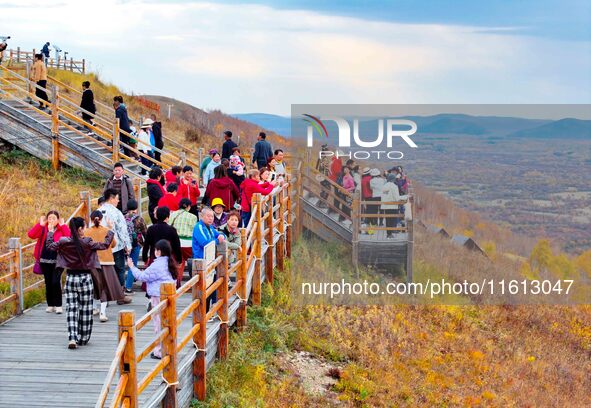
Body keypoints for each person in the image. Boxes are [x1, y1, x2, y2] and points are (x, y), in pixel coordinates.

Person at [45, 217, 114, 349]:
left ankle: (72, 337)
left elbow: (49, 246)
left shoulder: (64, 242)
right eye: (84, 226)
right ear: (80, 229)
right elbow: (104, 245)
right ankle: (83, 337)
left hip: (70, 278)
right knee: (86, 309)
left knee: (71, 309)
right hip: (85, 278)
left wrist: (50, 231)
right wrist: (110, 230)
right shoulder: (87, 242)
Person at [127, 239, 176, 359]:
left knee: (158, 324)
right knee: (168, 323)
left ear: (158, 251)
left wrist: (132, 266)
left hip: (158, 296)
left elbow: (142, 277)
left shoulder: (157, 265)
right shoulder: (168, 262)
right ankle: (168, 348)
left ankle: (159, 351)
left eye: (155, 250)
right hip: (168, 295)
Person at [85, 211, 132, 323]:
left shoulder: (87, 231)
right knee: (104, 288)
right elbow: (114, 244)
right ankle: (103, 312)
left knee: (94, 286)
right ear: (101, 219)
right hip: (106, 263)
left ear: (91, 219)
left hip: (92, 263)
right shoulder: (107, 231)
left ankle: (94, 308)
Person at [28, 211, 70, 314]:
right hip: (44, 259)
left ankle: (59, 305)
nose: (51, 220)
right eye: (49, 218)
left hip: (58, 260)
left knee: (55, 282)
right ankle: (50, 305)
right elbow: (31, 235)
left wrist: (63, 225)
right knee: (48, 282)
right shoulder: (43, 228)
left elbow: (69, 237)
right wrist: (40, 224)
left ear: (58, 219)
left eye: (54, 218)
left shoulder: (61, 229)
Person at [192, 207, 225, 312]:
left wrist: (221, 236)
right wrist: (218, 240)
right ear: (202, 216)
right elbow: (205, 243)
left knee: (212, 286)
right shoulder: (199, 227)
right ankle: (203, 313)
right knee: (204, 288)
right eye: (208, 216)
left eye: (212, 216)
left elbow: (221, 234)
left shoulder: (210, 227)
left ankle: (212, 310)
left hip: (210, 261)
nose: (211, 218)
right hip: (201, 262)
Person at [99, 189, 132, 286]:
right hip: (116, 245)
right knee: (119, 269)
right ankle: (120, 294)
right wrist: (127, 245)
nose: (118, 201)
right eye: (117, 198)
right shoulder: (116, 212)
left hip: (101, 247)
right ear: (111, 198)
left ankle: (106, 294)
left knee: (104, 271)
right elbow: (122, 230)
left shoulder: (97, 211)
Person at [142, 207, 182, 272]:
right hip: (168, 259)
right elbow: (176, 246)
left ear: (157, 216)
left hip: (154, 257)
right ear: (167, 217)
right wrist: (179, 260)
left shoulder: (151, 229)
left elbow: (146, 245)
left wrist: (145, 259)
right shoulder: (172, 230)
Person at [169, 198, 198, 286]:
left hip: (175, 242)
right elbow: (194, 231)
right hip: (188, 243)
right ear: (188, 207)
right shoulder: (193, 217)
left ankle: (176, 283)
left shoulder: (173, 214)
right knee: (193, 259)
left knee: (179, 263)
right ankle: (194, 279)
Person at [124, 199, 147, 294]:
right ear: (136, 208)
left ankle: (122, 286)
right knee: (132, 265)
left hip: (125, 244)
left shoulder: (123, 217)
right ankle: (128, 287)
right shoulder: (139, 219)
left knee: (123, 265)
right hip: (136, 244)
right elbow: (145, 232)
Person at [381, 173, 408, 237]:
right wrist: (405, 197)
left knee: (387, 220)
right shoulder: (394, 186)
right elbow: (397, 198)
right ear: (393, 179)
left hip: (385, 205)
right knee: (392, 220)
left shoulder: (384, 186)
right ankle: (390, 234)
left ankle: (388, 233)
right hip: (393, 206)